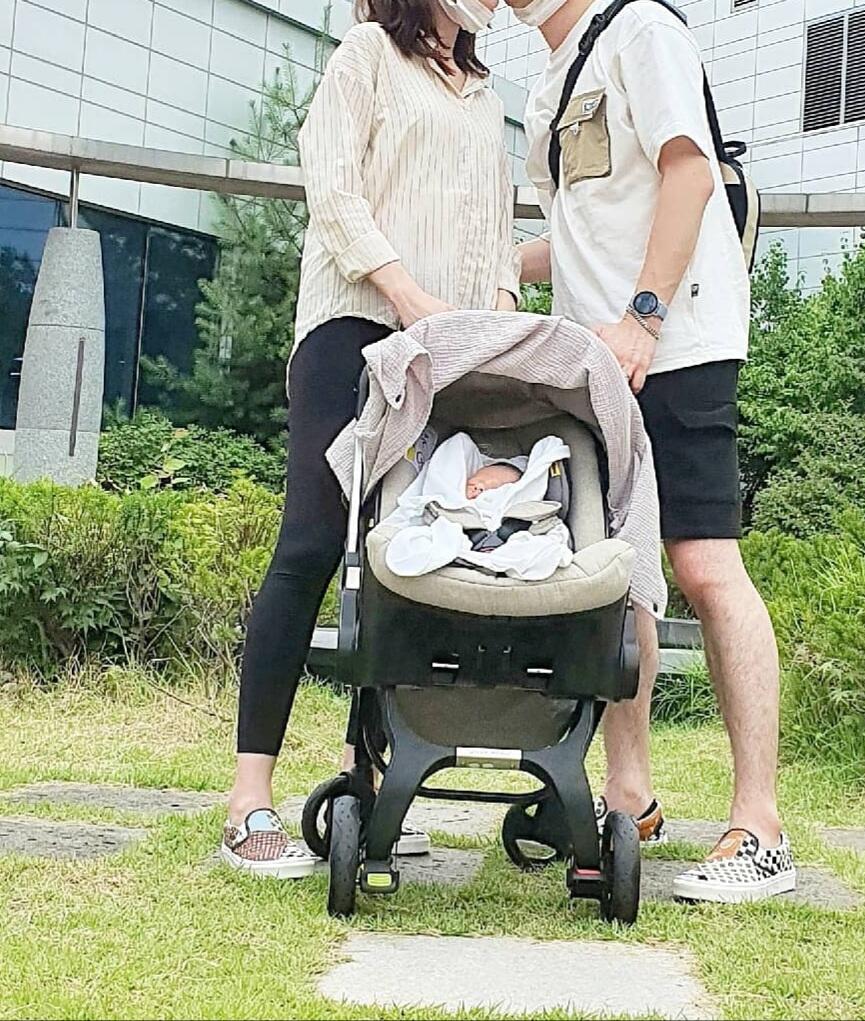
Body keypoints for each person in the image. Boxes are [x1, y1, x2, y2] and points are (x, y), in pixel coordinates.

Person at [221, 0, 521, 878]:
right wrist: (407, 295)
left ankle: (373, 783)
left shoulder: (484, 98)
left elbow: (498, 237)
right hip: (353, 328)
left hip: (446, 351)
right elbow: (334, 189)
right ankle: (247, 801)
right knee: (313, 543)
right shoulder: (365, 54)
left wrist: (497, 316)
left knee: (405, 554)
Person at [509, 0, 796, 902]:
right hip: (596, 362)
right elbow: (578, 233)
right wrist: (495, 266)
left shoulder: (641, 30)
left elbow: (689, 171)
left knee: (704, 564)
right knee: (616, 571)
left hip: (676, 345)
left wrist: (643, 317)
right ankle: (627, 798)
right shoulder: (547, 81)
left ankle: (759, 826)